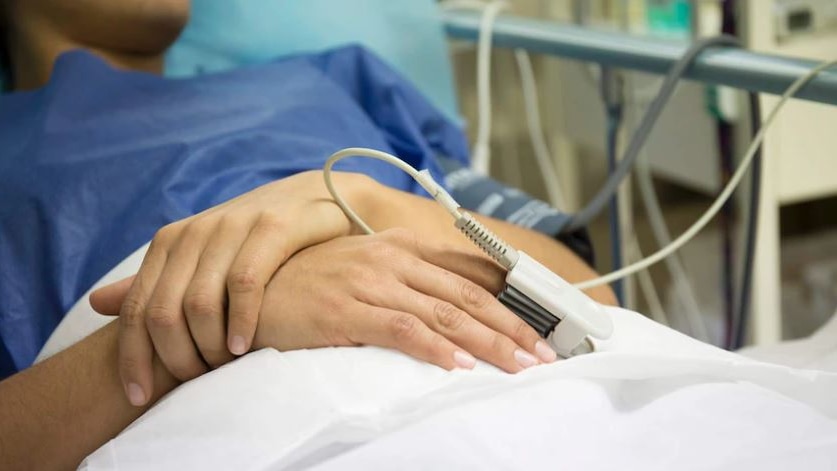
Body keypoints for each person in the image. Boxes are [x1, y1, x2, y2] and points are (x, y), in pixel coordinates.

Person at [0, 0, 615, 468]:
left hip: (542, 393)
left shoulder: (337, 81)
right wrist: (208, 314)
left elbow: (600, 300)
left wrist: (358, 199)